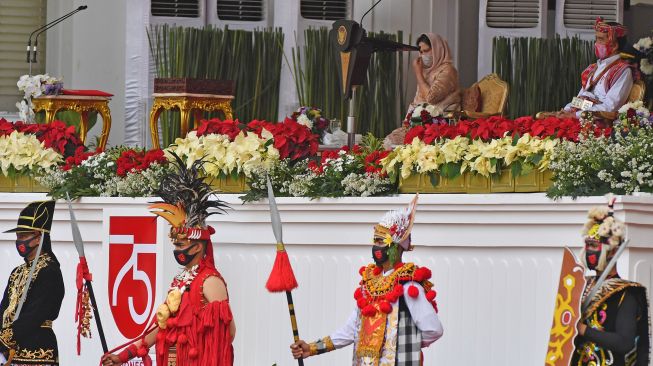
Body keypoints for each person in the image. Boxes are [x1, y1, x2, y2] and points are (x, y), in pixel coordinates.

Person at [101, 155, 235, 366]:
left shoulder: (210, 281)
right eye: (175, 245)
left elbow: (227, 334)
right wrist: (123, 356)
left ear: (198, 246)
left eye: (180, 245)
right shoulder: (181, 280)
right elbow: (159, 327)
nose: (177, 250)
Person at [290, 195, 443, 365]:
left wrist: (404, 347)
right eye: (375, 240)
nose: (376, 246)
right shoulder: (368, 285)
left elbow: (433, 329)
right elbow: (351, 330)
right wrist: (312, 348)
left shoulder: (408, 286)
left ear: (398, 246)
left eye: (382, 240)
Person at [571, 200, 650, 366]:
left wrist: (582, 329)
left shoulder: (626, 293)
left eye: (593, 245)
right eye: (587, 245)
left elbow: (624, 342)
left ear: (613, 251)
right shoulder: (583, 285)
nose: (588, 251)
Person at [0, 200, 65, 366]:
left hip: (37, 348)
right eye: (17, 237)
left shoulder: (50, 271)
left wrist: (5, 340)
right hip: (9, 352)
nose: (19, 241)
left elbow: (36, 313)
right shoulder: (17, 271)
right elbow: (4, 307)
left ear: (39, 238)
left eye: (23, 236)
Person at [385, 33, 461, 148]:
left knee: (398, 145)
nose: (422, 55)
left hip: (440, 122)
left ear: (437, 50)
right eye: (420, 52)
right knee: (389, 142)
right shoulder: (426, 71)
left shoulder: (448, 71)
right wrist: (407, 122)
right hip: (423, 121)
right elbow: (417, 101)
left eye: (426, 51)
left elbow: (431, 98)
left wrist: (418, 74)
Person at [560, 18, 634, 119]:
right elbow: (582, 99)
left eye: (600, 39)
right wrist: (568, 109)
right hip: (579, 118)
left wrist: (576, 115)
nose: (596, 43)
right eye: (596, 39)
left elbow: (610, 107)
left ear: (614, 45)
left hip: (599, 125)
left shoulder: (623, 71)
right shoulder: (592, 68)